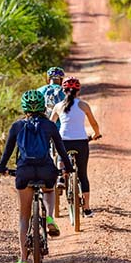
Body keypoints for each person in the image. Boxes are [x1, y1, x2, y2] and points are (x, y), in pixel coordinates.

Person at [0, 89, 74, 263]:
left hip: (24, 172)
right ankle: (49, 217)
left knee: (24, 217)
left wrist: (2, 168)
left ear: (24, 107)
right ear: (42, 106)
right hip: (46, 170)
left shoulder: (16, 126)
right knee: (49, 190)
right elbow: (61, 149)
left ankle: (23, 260)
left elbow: (7, 152)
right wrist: (67, 168)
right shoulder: (49, 126)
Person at [50, 76, 102, 218]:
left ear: (63, 90)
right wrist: (96, 134)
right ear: (78, 91)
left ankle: (61, 175)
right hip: (81, 142)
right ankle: (86, 209)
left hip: (63, 142)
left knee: (60, 151)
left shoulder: (58, 106)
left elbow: (50, 124)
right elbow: (94, 124)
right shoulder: (84, 105)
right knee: (83, 175)